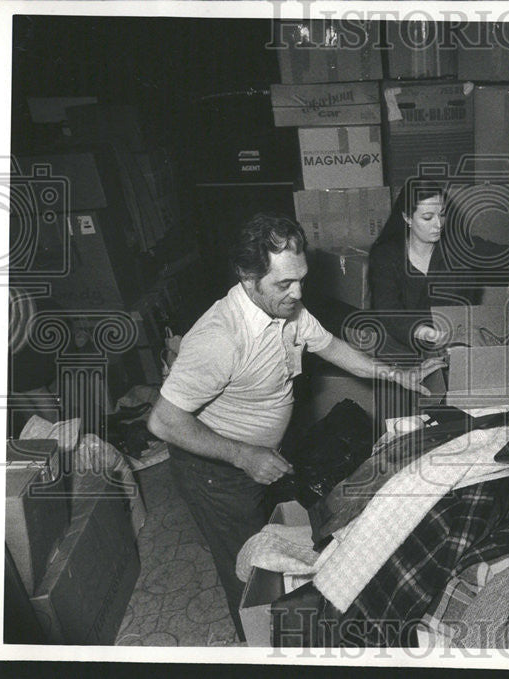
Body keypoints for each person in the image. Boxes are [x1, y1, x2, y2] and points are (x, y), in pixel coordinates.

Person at [147, 213, 443, 639]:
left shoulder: (288, 309)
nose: (299, 292)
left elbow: (331, 347)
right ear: (248, 277)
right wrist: (243, 455)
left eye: (301, 278)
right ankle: (261, 646)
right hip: (216, 472)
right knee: (248, 572)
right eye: (284, 284)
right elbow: (162, 420)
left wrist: (397, 374)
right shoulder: (220, 337)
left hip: (258, 459)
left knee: (274, 550)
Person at [367, 178, 509, 355]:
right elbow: (387, 308)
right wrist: (422, 332)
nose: (438, 225)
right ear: (407, 217)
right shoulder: (386, 255)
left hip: (451, 343)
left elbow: (500, 254)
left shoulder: (456, 249)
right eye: (427, 217)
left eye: (442, 214)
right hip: (401, 347)